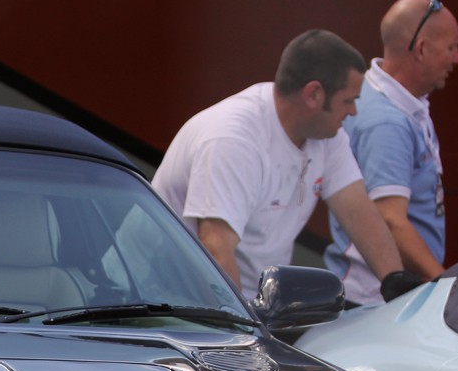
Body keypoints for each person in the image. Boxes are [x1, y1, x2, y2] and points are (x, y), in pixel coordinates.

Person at [153, 30, 413, 302]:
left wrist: (393, 279)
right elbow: (216, 247)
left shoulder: (327, 136)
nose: (353, 112)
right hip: (162, 301)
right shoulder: (234, 140)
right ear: (314, 94)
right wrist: (247, 331)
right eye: (348, 101)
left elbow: (359, 211)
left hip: (252, 304)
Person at [325, 0, 458, 306]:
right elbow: (390, 220)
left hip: (385, 298)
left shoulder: (394, 101)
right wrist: (447, 289)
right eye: (451, 48)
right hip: (377, 303)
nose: (457, 60)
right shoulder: (387, 123)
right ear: (422, 49)